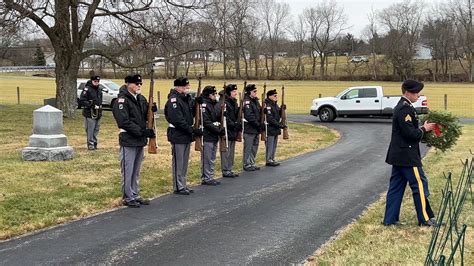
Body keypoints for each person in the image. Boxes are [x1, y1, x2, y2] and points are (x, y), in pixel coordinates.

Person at [383, 79, 437, 226]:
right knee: (419, 184)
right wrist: (425, 129)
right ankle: (425, 219)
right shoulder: (405, 109)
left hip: (399, 155)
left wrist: (422, 128)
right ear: (408, 92)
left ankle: (389, 220)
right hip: (407, 156)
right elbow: (410, 134)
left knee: (396, 187)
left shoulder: (405, 106)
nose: (418, 95)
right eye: (416, 92)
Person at [112, 74, 155, 208]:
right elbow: (124, 122)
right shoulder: (122, 100)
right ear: (127, 84)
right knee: (127, 169)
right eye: (136, 84)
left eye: (140, 84)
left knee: (136, 170)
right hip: (129, 139)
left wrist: (152, 110)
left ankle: (135, 193)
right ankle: (127, 196)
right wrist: (141, 132)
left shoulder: (140, 99)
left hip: (139, 140)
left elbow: (145, 115)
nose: (139, 86)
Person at [165, 77, 202, 195]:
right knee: (178, 161)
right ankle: (178, 186)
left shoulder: (185, 99)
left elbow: (191, 112)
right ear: (178, 87)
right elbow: (178, 120)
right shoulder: (174, 100)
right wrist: (191, 130)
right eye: (185, 87)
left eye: (188, 86)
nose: (187, 88)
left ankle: (183, 183)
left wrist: (196, 102)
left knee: (184, 162)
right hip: (178, 133)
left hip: (185, 134)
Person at [198, 85, 224, 185]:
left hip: (214, 134)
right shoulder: (204, 105)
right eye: (213, 94)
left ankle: (210, 175)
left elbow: (216, 117)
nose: (215, 95)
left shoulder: (213, 104)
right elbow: (207, 122)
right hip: (208, 134)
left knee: (212, 157)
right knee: (207, 157)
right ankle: (206, 177)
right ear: (209, 95)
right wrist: (217, 130)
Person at [220, 84, 240, 178]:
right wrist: (233, 124)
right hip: (228, 129)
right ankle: (225, 169)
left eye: (236, 91)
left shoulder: (234, 102)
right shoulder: (226, 102)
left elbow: (235, 114)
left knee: (231, 151)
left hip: (233, 130)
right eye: (233, 92)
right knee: (226, 151)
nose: (235, 93)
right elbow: (225, 117)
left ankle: (229, 168)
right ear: (229, 92)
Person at [79, 75, 103, 150]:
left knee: (96, 129)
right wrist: (90, 105)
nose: (96, 82)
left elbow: (100, 100)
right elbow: (82, 100)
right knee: (90, 130)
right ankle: (90, 144)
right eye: (95, 81)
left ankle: (95, 143)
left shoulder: (99, 89)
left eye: (98, 81)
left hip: (98, 112)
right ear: (92, 81)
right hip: (89, 113)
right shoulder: (87, 89)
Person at [264, 89, 286, 167]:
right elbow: (270, 118)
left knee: (274, 145)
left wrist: (281, 109)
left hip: (275, 128)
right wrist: (279, 125)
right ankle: (268, 160)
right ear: (269, 96)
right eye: (274, 95)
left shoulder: (274, 104)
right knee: (270, 145)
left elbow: (277, 115)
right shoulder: (268, 105)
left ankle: (272, 158)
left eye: (276, 95)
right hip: (270, 128)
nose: (276, 97)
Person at [242, 84, 262, 171]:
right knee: (248, 147)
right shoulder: (247, 102)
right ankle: (247, 164)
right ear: (249, 92)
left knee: (255, 146)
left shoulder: (255, 101)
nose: (256, 93)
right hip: (250, 128)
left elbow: (259, 111)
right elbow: (249, 115)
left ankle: (252, 162)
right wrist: (257, 124)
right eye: (254, 91)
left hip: (256, 129)